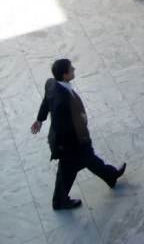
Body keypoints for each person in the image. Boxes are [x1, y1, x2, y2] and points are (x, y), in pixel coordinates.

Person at [30, 58, 126, 210]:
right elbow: (61, 127)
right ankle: (60, 201)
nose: (74, 69)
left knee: (88, 159)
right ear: (65, 75)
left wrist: (40, 119)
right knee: (69, 169)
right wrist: (80, 124)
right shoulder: (62, 101)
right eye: (71, 69)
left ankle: (110, 176)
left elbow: (46, 101)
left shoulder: (51, 83)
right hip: (70, 143)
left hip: (73, 142)